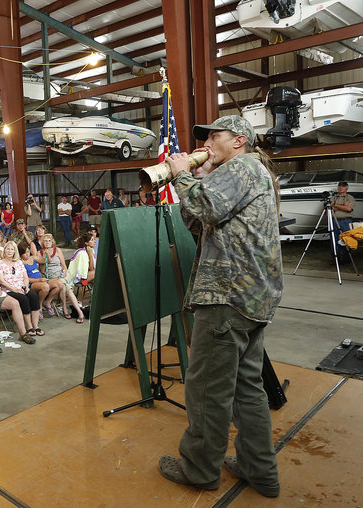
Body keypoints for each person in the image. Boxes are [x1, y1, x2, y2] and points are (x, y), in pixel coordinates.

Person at [158, 115, 282, 498]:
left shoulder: (243, 167)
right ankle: (258, 470)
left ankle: (199, 469)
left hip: (226, 296)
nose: (208, 142)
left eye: (216, 135)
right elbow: (200, 225)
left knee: (208, 389)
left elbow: (206, 206)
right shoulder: (244, 171)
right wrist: (203, 174)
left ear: (239, 140)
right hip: (251, 298)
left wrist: (181, 174)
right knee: (247, 389)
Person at [0, 242, 42, 337]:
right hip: (9, 290)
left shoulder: (19, 262)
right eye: (8, 249)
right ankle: (29, 327)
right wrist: (15, 289)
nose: (10, 251)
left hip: (22, 287)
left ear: (15, 251)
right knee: (23, 299)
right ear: (4, 250)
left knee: (33, 296)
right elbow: (1, 281)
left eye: (12, 249)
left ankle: (36, 326)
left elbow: (25, 278)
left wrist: (26, 287)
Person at [39, 234, 85, 323]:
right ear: (42, 242)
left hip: (63, 274)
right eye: (45, 241)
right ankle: (79, 312)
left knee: (63, 283)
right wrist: (46, 259)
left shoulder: (57, 250)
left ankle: (66, 309)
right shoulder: (39, 253)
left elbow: (64, 265)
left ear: (52, 242)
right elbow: (42, 271)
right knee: (66, 287)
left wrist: (63, 273)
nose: (47, 242)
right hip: (52, 278)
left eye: (49, 240)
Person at [19, 242, 53, 315]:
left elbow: (47, 261)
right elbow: (24, 279)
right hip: (32, 283)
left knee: (59, 284)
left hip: (42, 281)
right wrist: (39, 280)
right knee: (45, 287)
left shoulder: (33, 258)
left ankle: (47, 302)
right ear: (20, 254)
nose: (27, 254)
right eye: (25, 253)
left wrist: (47, 254)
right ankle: (39, 306)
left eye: (28, 251)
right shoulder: (20, 263)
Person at [330, 181, 356, 259]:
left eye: (343, 186)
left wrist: (335, 205)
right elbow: (330, 208)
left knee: (347, 240)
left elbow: (348, 209)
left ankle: (347, 258)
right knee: (334, 240)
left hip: (346, 221)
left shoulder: (350, 197)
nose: (341, 188)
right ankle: (335, 258)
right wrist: (343, 206)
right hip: (334, 221)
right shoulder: (333, 197)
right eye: (340, 186)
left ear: (346, 188)